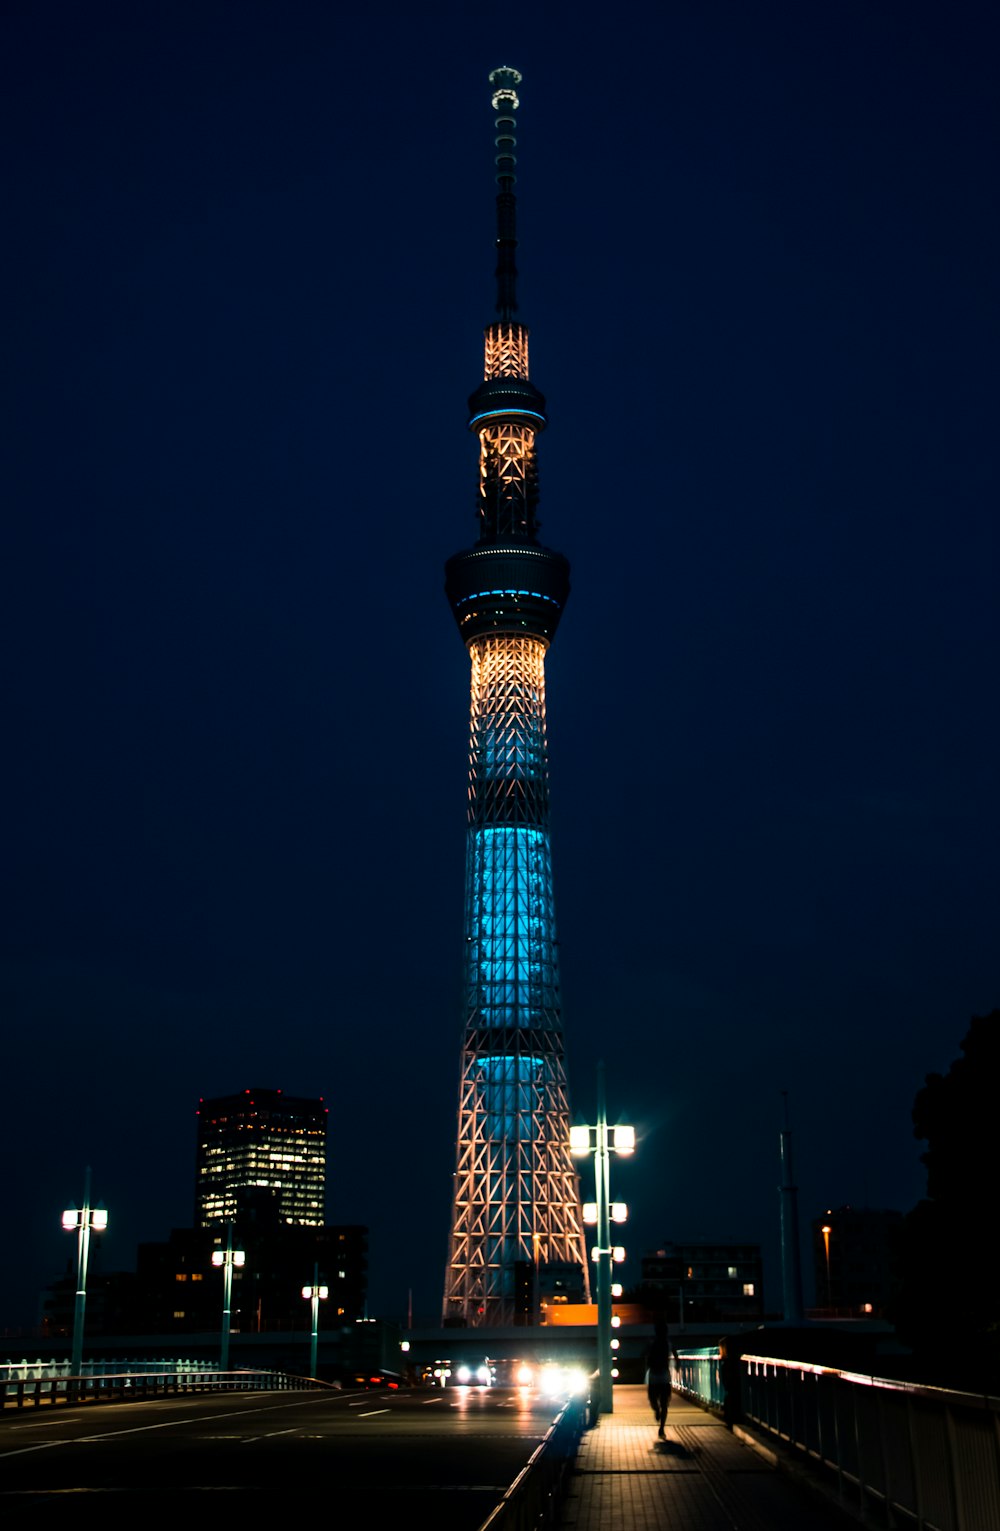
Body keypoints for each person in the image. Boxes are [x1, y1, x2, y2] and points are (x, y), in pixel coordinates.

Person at [645, 1318, 677, 1438]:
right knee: (664, 1404)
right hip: (664, 1376)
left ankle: (657, 1414)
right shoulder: (668, 1343)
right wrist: (677, 1366)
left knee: (653, 1399)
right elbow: (676, 1355)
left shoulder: (652, 1343)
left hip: (654, 1375)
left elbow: (644, 1354)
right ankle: (662, 1427)